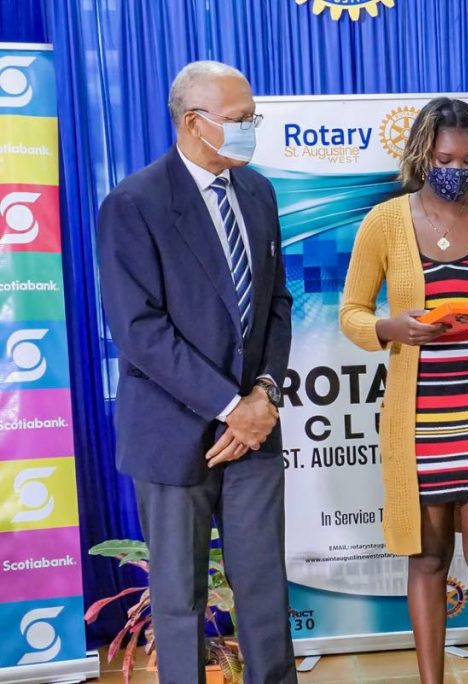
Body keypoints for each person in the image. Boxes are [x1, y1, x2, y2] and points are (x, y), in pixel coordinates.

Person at [97, 61, 295, 683]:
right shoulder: (134, 203)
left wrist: (262, 395)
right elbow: (140, 331)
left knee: (264, 590)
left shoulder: (258, 192)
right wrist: (229, 406)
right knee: (180, 601)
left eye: (252, 117)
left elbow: (278, 306)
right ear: (193, 123)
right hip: (171, 432)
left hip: (254, 433)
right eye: (240, 120)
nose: (250, 129)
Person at [339, 97, 468, 684]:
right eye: (445, 158)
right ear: (422, 155)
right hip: (420, 423)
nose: (457, 168)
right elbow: (352, 312)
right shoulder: (384, 222)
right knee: (426, 560)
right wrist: (390, 327)